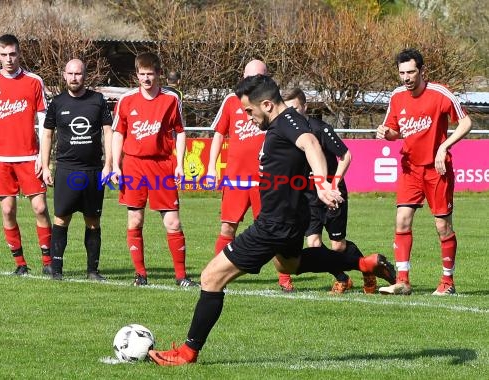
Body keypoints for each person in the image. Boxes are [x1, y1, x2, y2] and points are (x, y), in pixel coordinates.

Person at [148, 74, 396, 366]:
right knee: (289, 264)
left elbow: (311, 145)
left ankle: (187, 353)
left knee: (210, 278)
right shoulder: (286, 121)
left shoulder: (287, 123)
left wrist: (320, 182)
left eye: (250, 111)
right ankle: (361, 263)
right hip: (290, 218)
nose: (248, 118)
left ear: (267, 104)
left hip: (274, 224)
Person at [376, 48, 472, 296]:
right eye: (401, 73)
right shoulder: (397, 97)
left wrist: (444, 146)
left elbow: (466, 122)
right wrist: (387, 134)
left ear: (421, 71)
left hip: (436, 170)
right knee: (402, 220)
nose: (406, 77)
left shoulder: (439, 93)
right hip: (410, 169)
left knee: (442, 227)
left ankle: (447, 283)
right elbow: (395, 131)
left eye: (410, 72)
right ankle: (403, 281)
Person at [111, 52, 198, 287]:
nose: (146, 79)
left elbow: (179, 132)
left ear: (159, 74)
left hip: (162, 166)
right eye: (142, 74)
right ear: (136, 75)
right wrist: (114, 165)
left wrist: (179, 163)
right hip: (134, 165)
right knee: (135, 220)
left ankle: (181, 277)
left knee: (173, 223)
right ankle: (140, 274)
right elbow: (118, 132)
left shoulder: (171, 100)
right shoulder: (126, 100)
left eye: (150, 74)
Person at [282, 88, 377, 294]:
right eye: (287, 111)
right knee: (314, 243)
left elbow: (346, 155)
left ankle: (367, 269)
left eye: (295, 109)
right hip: (309, 196)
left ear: (305, 107)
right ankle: (342, 278)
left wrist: (333, 183)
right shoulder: (288, 133)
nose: (291, 115)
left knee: (338, 246)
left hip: (332, 192)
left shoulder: (319, 128)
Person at [0, 34, 52, 275]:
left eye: (13, 54)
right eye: (4, 54)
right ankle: (20, 265)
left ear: (19, 54)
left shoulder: (34, 81)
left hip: (29, 156)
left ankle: (49, 264)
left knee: (39, 208)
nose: (9, 59)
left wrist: (43, 156)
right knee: (7, 211)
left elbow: (43, 120)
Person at [41, 59, 113, 281]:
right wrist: (45, 166)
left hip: (92, 171)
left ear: (85, 75)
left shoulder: (97, 100)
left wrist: (108, 164)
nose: (74, 77)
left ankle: (93, 270)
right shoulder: (57, 103)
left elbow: (108, 132)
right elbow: (47, 134)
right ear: (64, 75)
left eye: (78, 74)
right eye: (70, 73)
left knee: (93, 221)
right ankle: (57, 269)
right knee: (61, 218)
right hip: (66, 170)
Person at [206, 59, 267, 275]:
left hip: (265, 180)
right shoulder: (232, 101)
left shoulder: (271, 103)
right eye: (250, 77)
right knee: (227, 227)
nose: (254, 81)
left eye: (259, 77)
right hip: (235, 178)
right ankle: (216, 273)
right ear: (243, 77)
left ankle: (285, 278)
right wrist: (211, 168)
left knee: (274, 230)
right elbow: (219, 134)